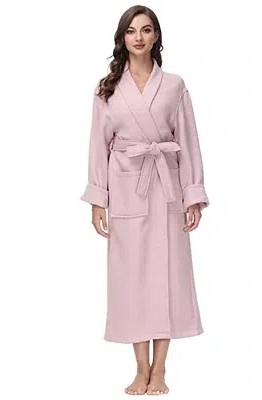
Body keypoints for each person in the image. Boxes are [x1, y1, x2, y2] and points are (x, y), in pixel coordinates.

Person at [80, 5, 210, 396]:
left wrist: (192, 195)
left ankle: (161, 368)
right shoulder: (107, 88)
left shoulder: (174, 85)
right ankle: (140, 368)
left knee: (166, 275)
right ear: (122, 38)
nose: (139, 37)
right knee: (131, 278)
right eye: (132, 31)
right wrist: (98, 200)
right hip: (126, 189)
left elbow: (188, 141)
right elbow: (98, 146)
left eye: (147, 30)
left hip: (167, 188)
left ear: (156, 36)